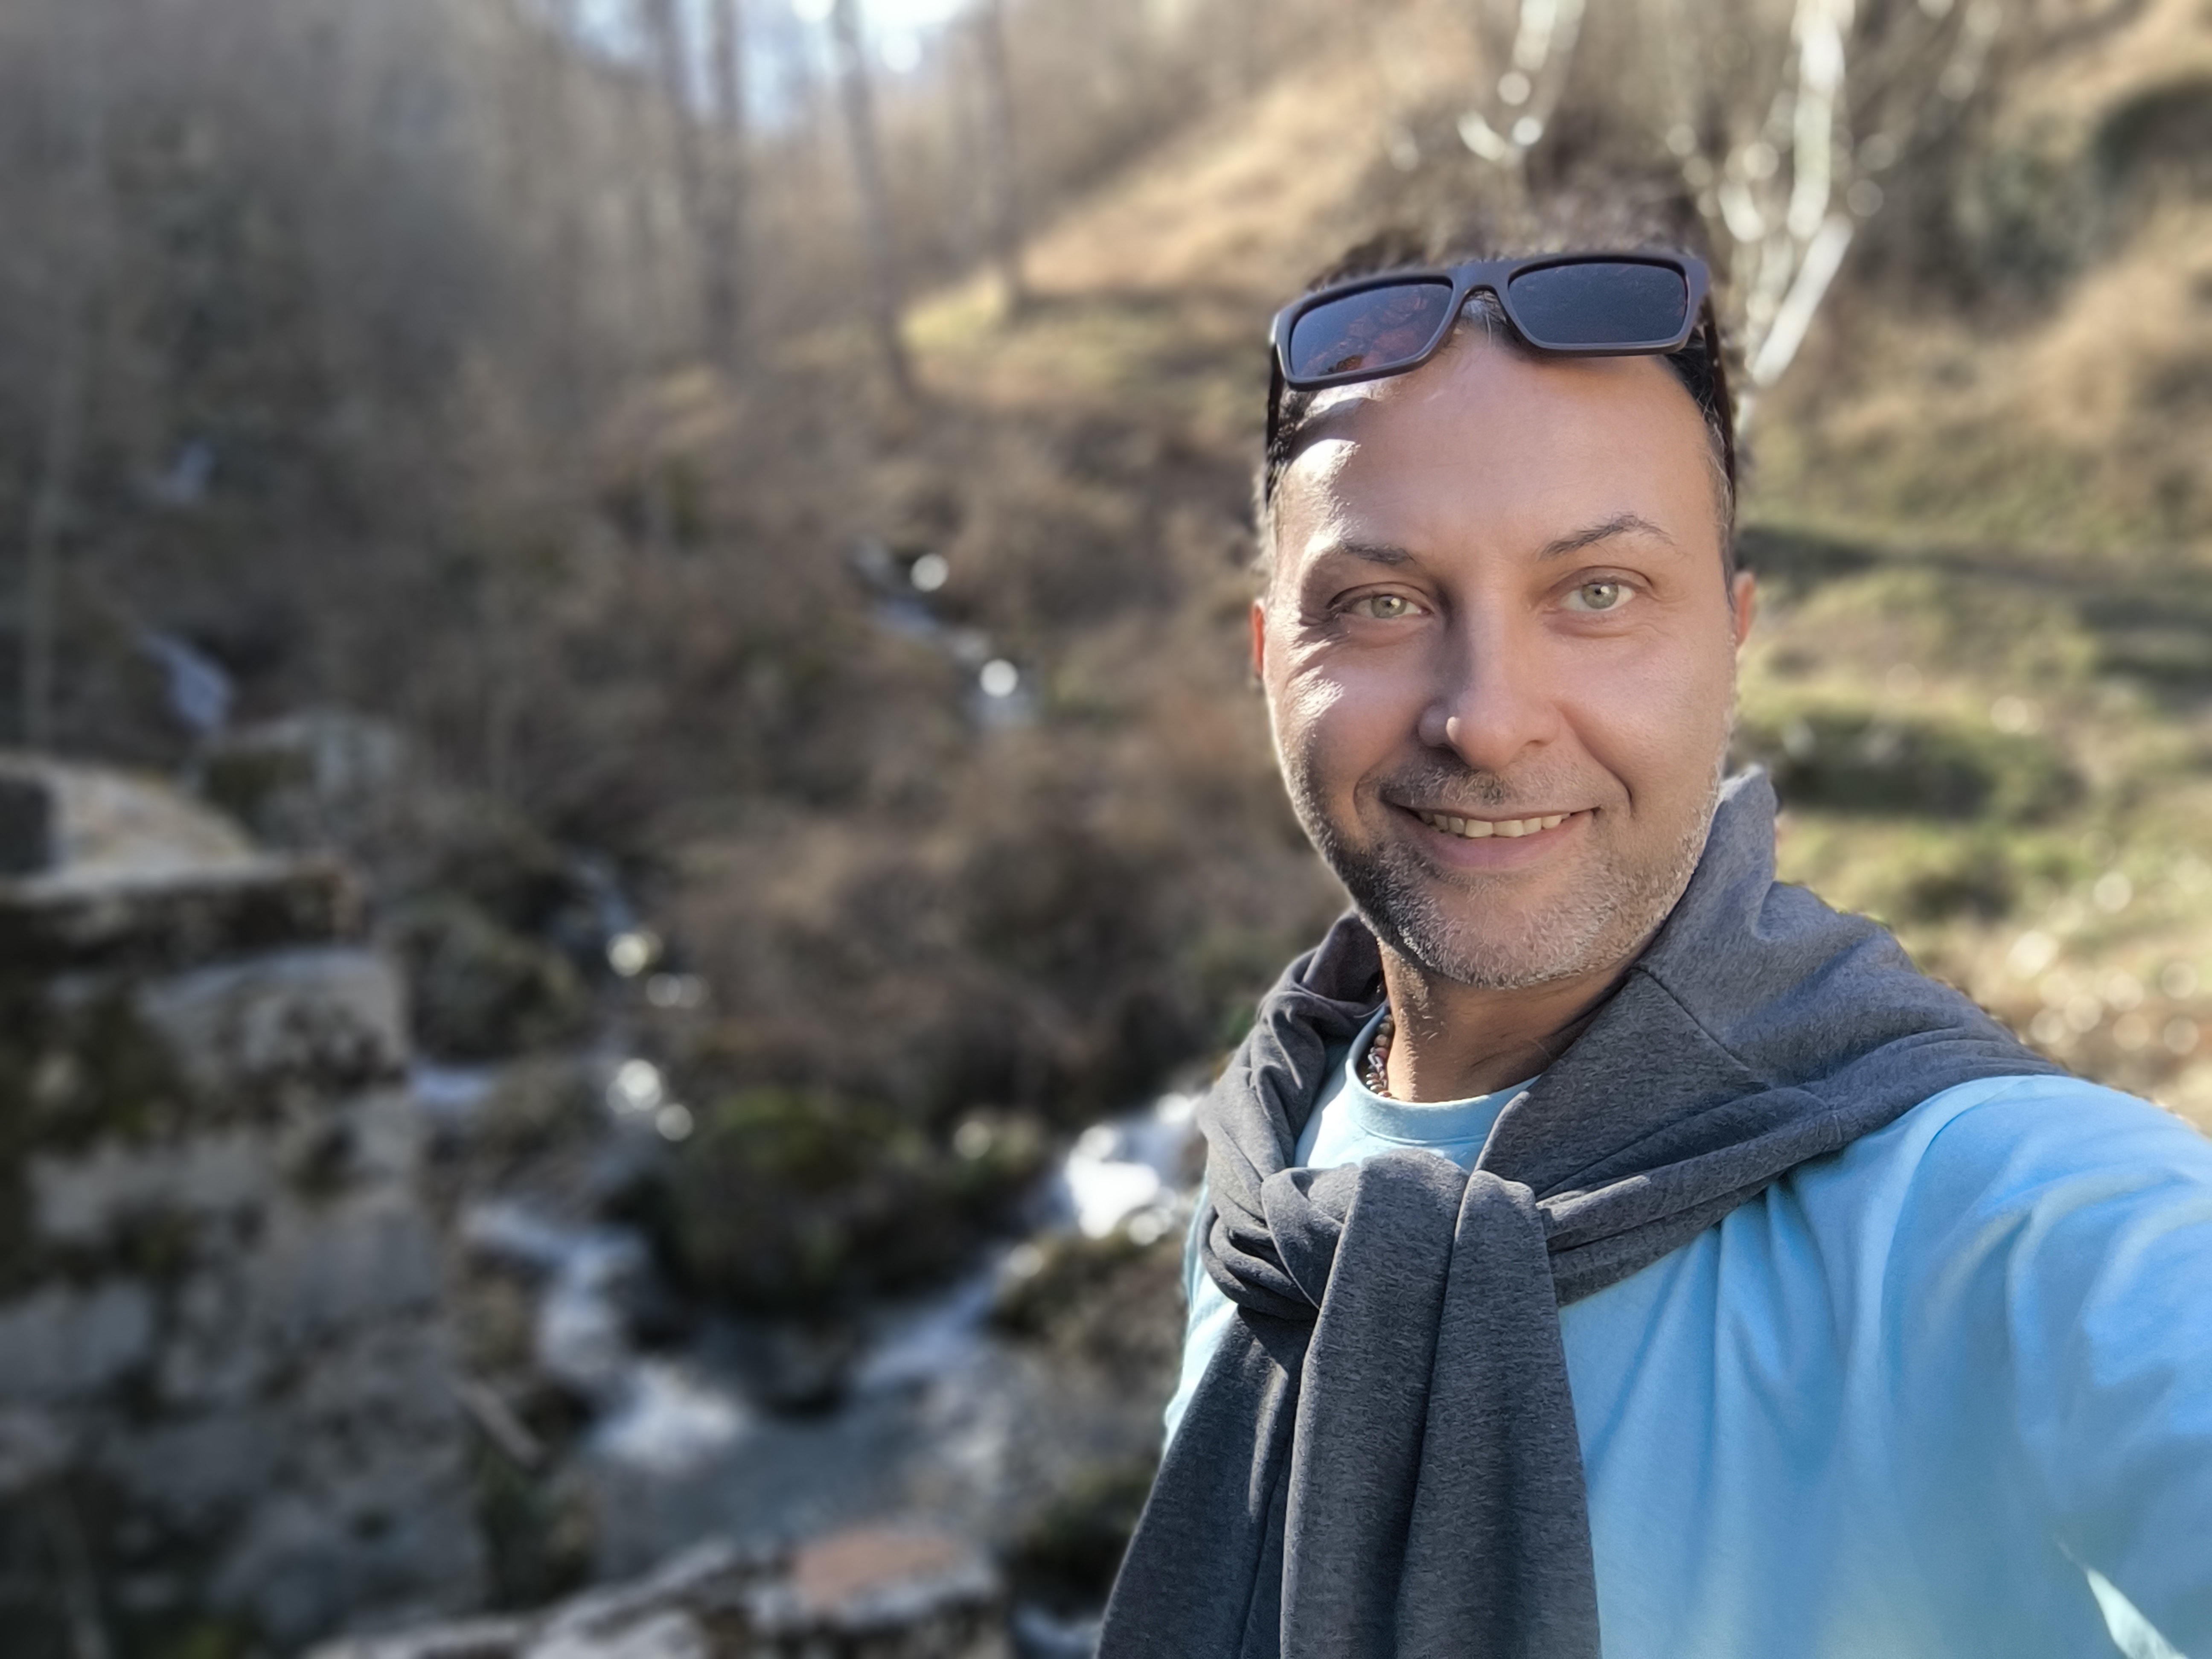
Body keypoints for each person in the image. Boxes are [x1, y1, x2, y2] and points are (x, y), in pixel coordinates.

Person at [1098, 221, 2212, 1659]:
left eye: (1598, 594)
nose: (1487, 720)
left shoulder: (2006, 1222)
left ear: (1733, 637)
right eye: (1381, 604)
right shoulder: (1266, 1175)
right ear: (1268, 661)